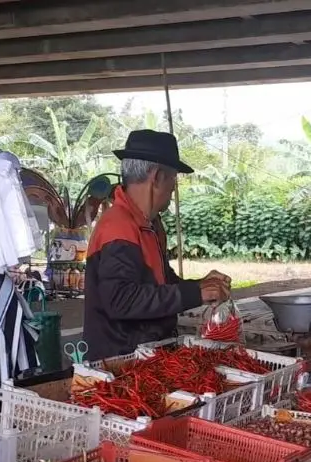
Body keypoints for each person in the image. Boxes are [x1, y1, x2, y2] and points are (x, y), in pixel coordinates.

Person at [82, 130, 231, 360]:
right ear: (158, 176)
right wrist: (194, 293)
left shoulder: (150, 224)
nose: (173, 187)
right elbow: (122, 300)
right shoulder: (118, 227)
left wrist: (201, 286)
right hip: (119, 365)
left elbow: (162, 284)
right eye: (173, 178)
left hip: (149, 356)